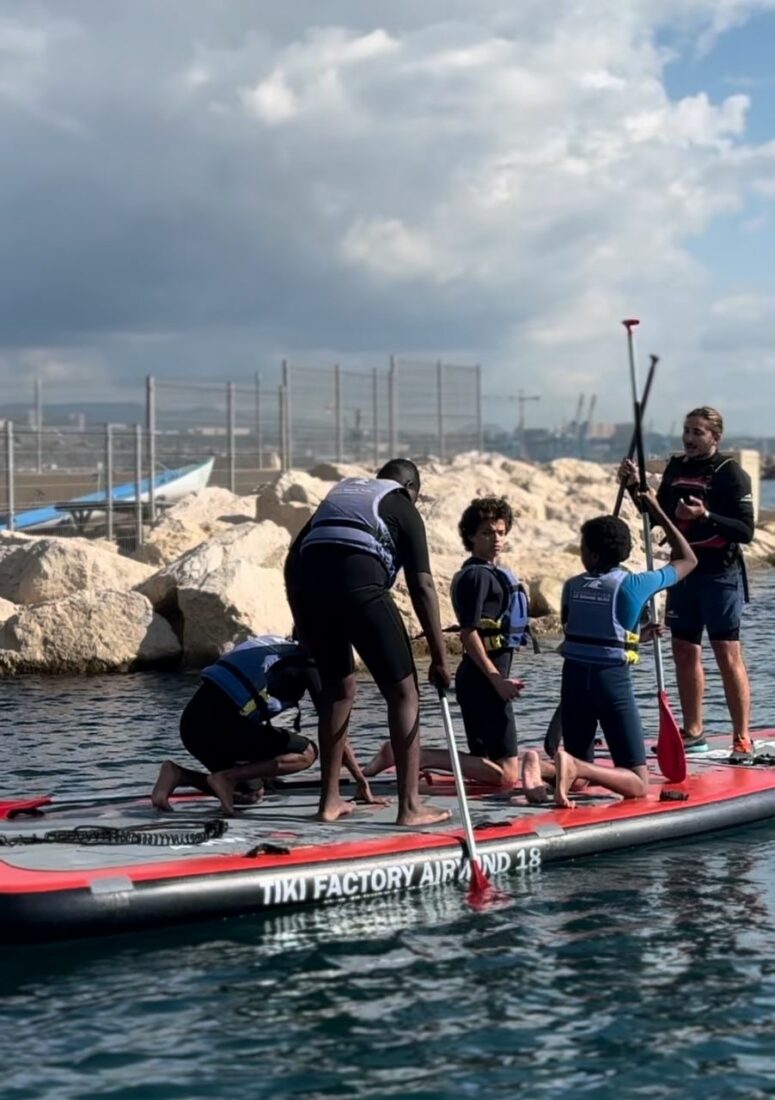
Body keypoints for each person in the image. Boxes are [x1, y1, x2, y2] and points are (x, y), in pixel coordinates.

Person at [285, 458, 452, 826]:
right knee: (404, 694)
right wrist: (440, 658)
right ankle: (410, 807)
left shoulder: (342, 495)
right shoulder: (403, 506)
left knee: (338, 691)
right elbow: (422, 586)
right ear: (411, 488)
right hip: (361, 590)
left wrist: (303, 624)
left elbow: (293, 560)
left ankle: (329, 802)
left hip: (312, 591)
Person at [523, 489, 697, 808]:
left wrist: (634, 638)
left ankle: (544, 766)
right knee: (637, 783)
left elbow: (583, 631)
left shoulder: (572, 587)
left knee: (583, 777)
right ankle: (571, 764)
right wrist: (658, 510)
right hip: (611, 682)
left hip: (573, 678)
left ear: (590, 556)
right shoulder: (634, 584)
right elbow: (688, 559)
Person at [365, 496, 530, 789]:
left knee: (495, 764)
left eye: (501, 532)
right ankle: (411, 754)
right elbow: (468, 634)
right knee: (506, 776)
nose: (496, 539)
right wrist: (496, 679)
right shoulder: (477, 576)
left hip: (485, 683)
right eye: (487, 533)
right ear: (470, 537)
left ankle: (547, 768)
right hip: (484, 684)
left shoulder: (492, 573)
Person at [619, 406, 755, 758]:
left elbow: (746, 531)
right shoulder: (677, 468)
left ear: (715, 437)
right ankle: (694, 731)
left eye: (698, 432)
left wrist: (705, 515)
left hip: (720, 573)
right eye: (687, 430)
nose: (690, 438)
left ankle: (742, 736)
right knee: (683, 650)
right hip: (683, 572)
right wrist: (635, 488)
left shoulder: (731, 473)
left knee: (727, 653)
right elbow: (658, 516)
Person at [151, 634, 377, 814]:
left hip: (191, 727)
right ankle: (225, 778)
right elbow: (334, 733)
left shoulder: (277, 648)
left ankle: (178, 774)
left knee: (251, 793)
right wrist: (360, 779)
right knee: (307, 752)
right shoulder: (310, 666)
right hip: (218, 728)